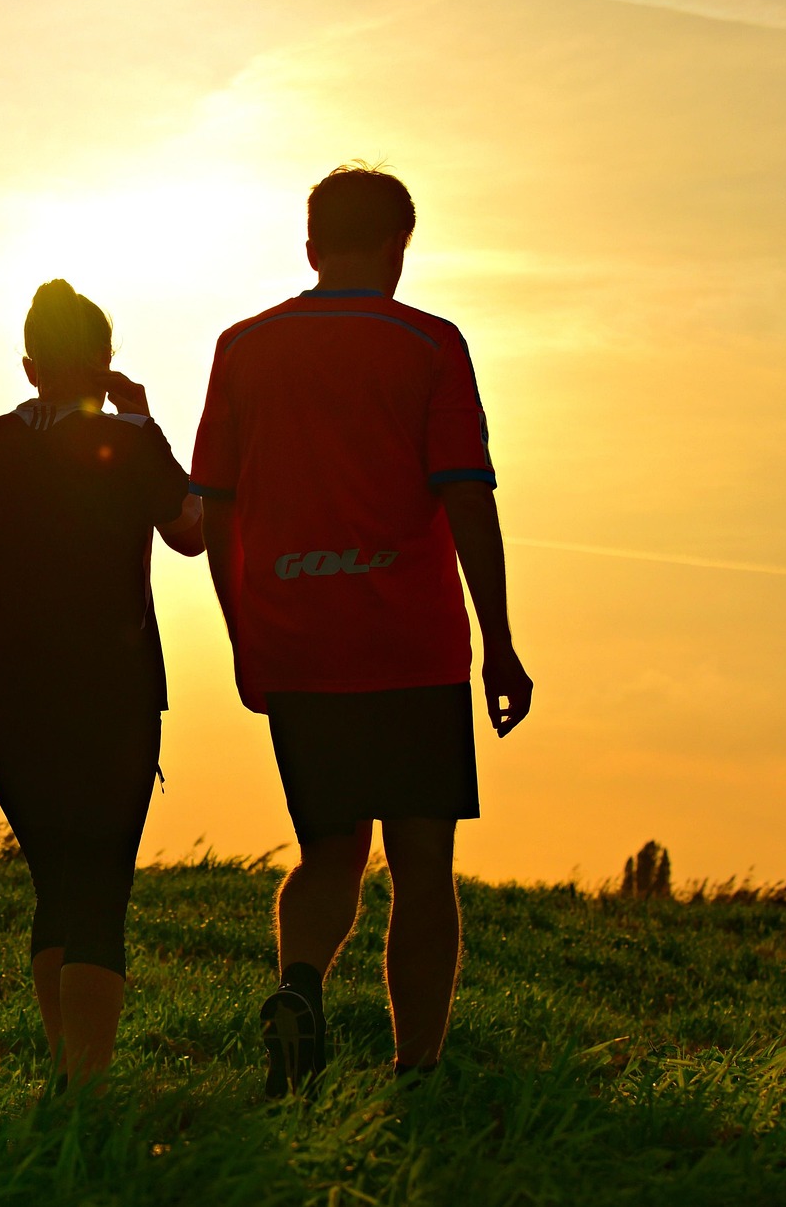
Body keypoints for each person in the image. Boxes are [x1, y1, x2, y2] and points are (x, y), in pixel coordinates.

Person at [190, 165, 534, 1096]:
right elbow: (467, 498)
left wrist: (243, 632)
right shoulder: (430, 345)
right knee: (422, 864)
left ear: (311, 246)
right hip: (412, 646)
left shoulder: (242, 348)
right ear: (398, 247)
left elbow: (216, 508)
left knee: (328, 851)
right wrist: (500, 641)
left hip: (297, 639)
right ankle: (415, 1071)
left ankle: (301, 986)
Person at [0, 279, 205, 1088]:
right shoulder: (133, 442)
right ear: (105, 362)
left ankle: (68, 1078)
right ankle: (83, 1092)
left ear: (29, 368)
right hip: (116, 693)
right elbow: (192, 534)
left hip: (5, 697)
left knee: (59, 883)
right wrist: (148, 423)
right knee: (100, 887)